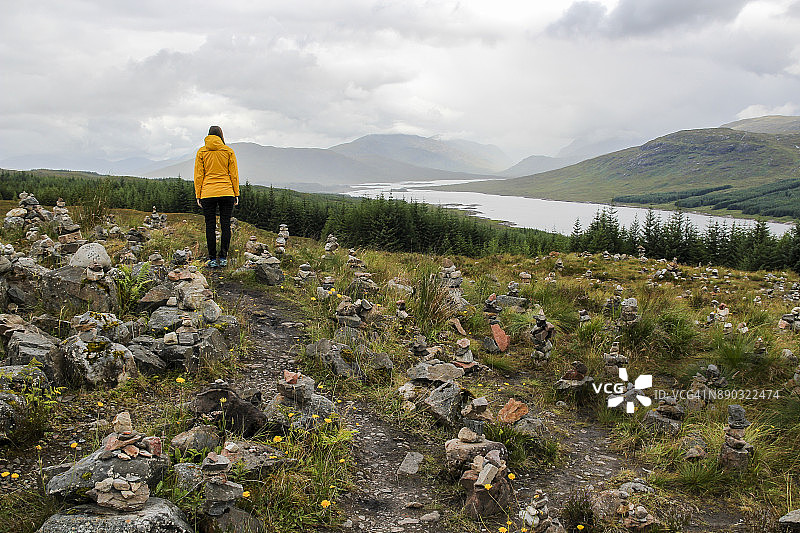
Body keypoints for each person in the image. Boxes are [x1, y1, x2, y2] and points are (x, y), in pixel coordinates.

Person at [194, 126, 239, 268]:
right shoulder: (228, 151)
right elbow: (234, 174)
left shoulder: (201, 151)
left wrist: (198, 194)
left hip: (208, 193)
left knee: (210, 225)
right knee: (226, 224)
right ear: (221, 135)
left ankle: (212, 259)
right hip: (227, 192)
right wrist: (236, 193)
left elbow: (199, 175)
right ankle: (223, 257)